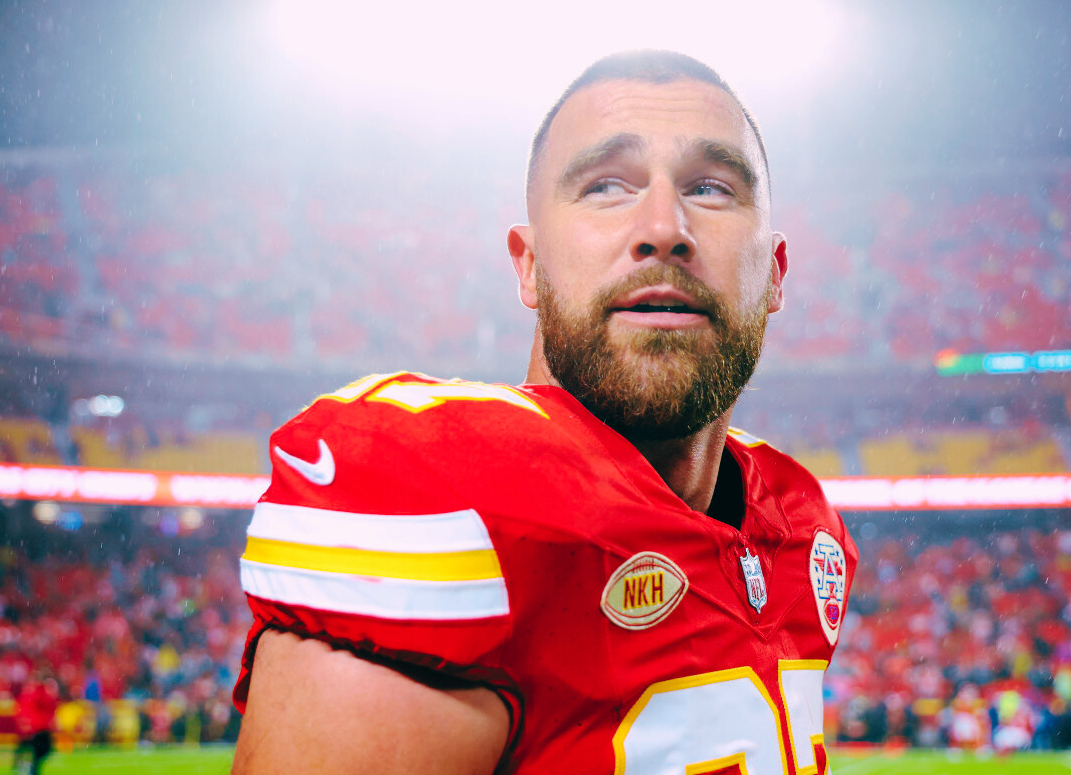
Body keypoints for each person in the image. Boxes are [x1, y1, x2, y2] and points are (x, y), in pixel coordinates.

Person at [232, 49, 859, 774]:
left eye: (713, 188)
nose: (663, 225)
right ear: (529, 266)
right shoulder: (453, 513)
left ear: (775, 275)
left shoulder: (800, 525)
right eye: (605, 186)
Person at [12, 674, 57, 775]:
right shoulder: (37, 695)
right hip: (38, 728)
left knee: (33, 749)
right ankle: (28, 767)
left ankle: (25, 766)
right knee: (39, 750)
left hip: (36, 728)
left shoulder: (31, 695)